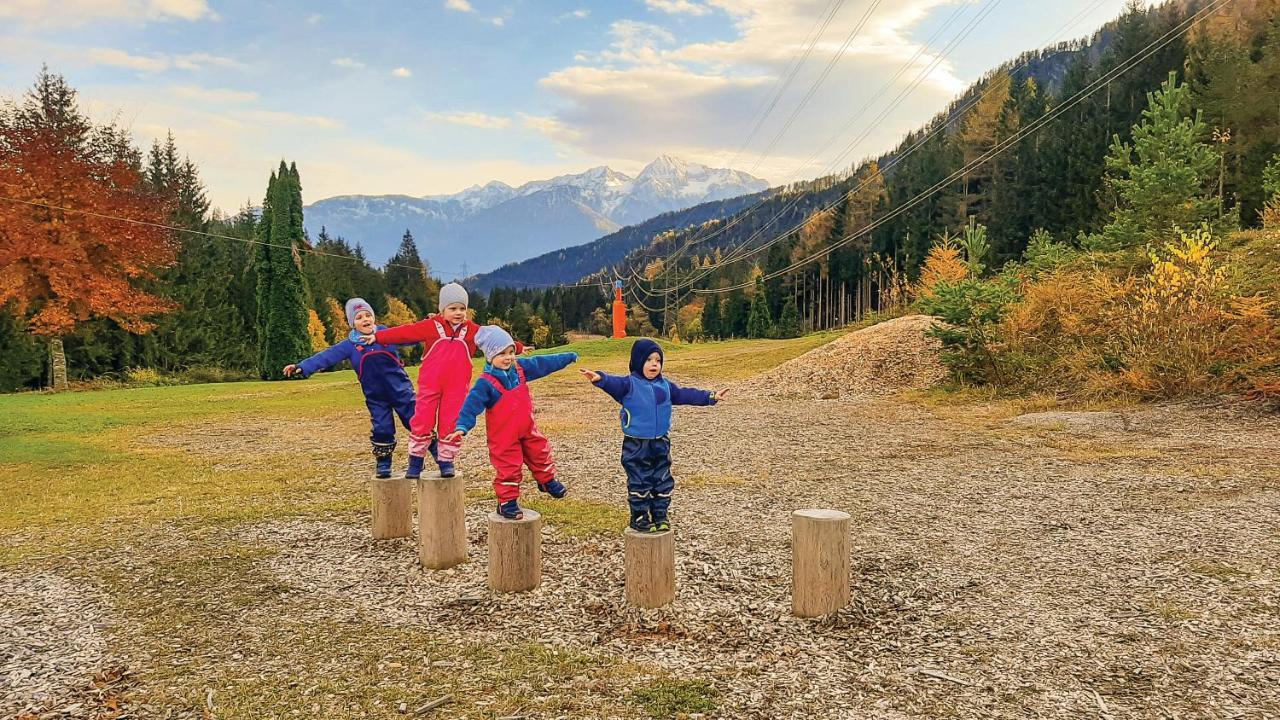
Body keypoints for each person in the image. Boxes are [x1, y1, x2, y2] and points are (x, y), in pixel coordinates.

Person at [364, 283, 532, 479]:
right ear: (442, 310)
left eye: (462, 309)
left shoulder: (472, 331)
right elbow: (404, 333)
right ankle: (416, 461)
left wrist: (518, 347)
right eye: (453, 308)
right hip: (430, 385)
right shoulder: (430, 327)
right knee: (422, 420)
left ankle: (446, 460)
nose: (458, 313)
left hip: (457, 387)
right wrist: (378, 337)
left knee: (450, 422)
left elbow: (496, 341)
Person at [581, 338, 725, 532]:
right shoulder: (629, 384)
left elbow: (686, 394)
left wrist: (710, 397)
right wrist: (600, 379)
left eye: (658, 360)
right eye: (649, 359)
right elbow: (613, 383)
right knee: (640, 479)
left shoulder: (665, 385)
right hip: (636, 443)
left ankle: (660, 515)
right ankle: (639, 516)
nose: (654, 364)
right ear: (638, 361)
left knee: (662, 479)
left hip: (660, 442)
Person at [443, 326, 577, 520]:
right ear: (489, 356)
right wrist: (462, 427)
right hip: (503, 437)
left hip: (527, 428)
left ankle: (547, 480)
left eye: (511, 352)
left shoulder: (520, 369)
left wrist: (567, 357)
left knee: (540, 451)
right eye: (501, 353)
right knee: (508, 466)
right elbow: (471, 405)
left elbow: (543, 363)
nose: (508, 357)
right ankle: (507, 502)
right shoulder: (486, 383)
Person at [284, 298, 416, 478]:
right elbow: (326, 356)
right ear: (352, 323)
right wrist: (302, 366)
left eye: (368, 315)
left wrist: (434, 326)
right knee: (382, 428)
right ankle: (384, 462)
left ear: (374, 317)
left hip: (401, 390)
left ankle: (436, 454)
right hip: (375, 396)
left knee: (416, 421)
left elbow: (410, 334)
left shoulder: (385, 334)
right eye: (359, 317)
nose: (365, 319)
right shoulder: (349, 345)